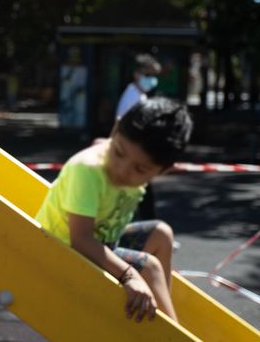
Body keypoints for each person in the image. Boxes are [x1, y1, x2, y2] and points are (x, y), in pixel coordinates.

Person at [35, 97, 192, 323]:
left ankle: (161, 318)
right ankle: (170, 333)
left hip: (103, 244)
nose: (122, 170)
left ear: (164, 170)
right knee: (150, 267)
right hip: (64, 250)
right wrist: (130, 275)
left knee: (161, 233)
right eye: (118, 152)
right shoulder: (87, 170)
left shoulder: (127, 159)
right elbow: (80, 239)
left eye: (140, 169)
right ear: (115, 129)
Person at [115, 53, 163, 221]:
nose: (152, 80)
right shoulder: (133, 98)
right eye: (149, 75)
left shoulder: (138, 95)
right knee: (141, 200)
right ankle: (151, 236)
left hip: (133, 157)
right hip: (132, 157)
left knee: (140, 201)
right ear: (137, 75)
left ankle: (150, 233)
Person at [115, 54, 161, 119]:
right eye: (148, 74)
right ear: (136, 74)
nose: (152, 79)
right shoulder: (132, 96)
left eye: (154, 75)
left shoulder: (139, 94)